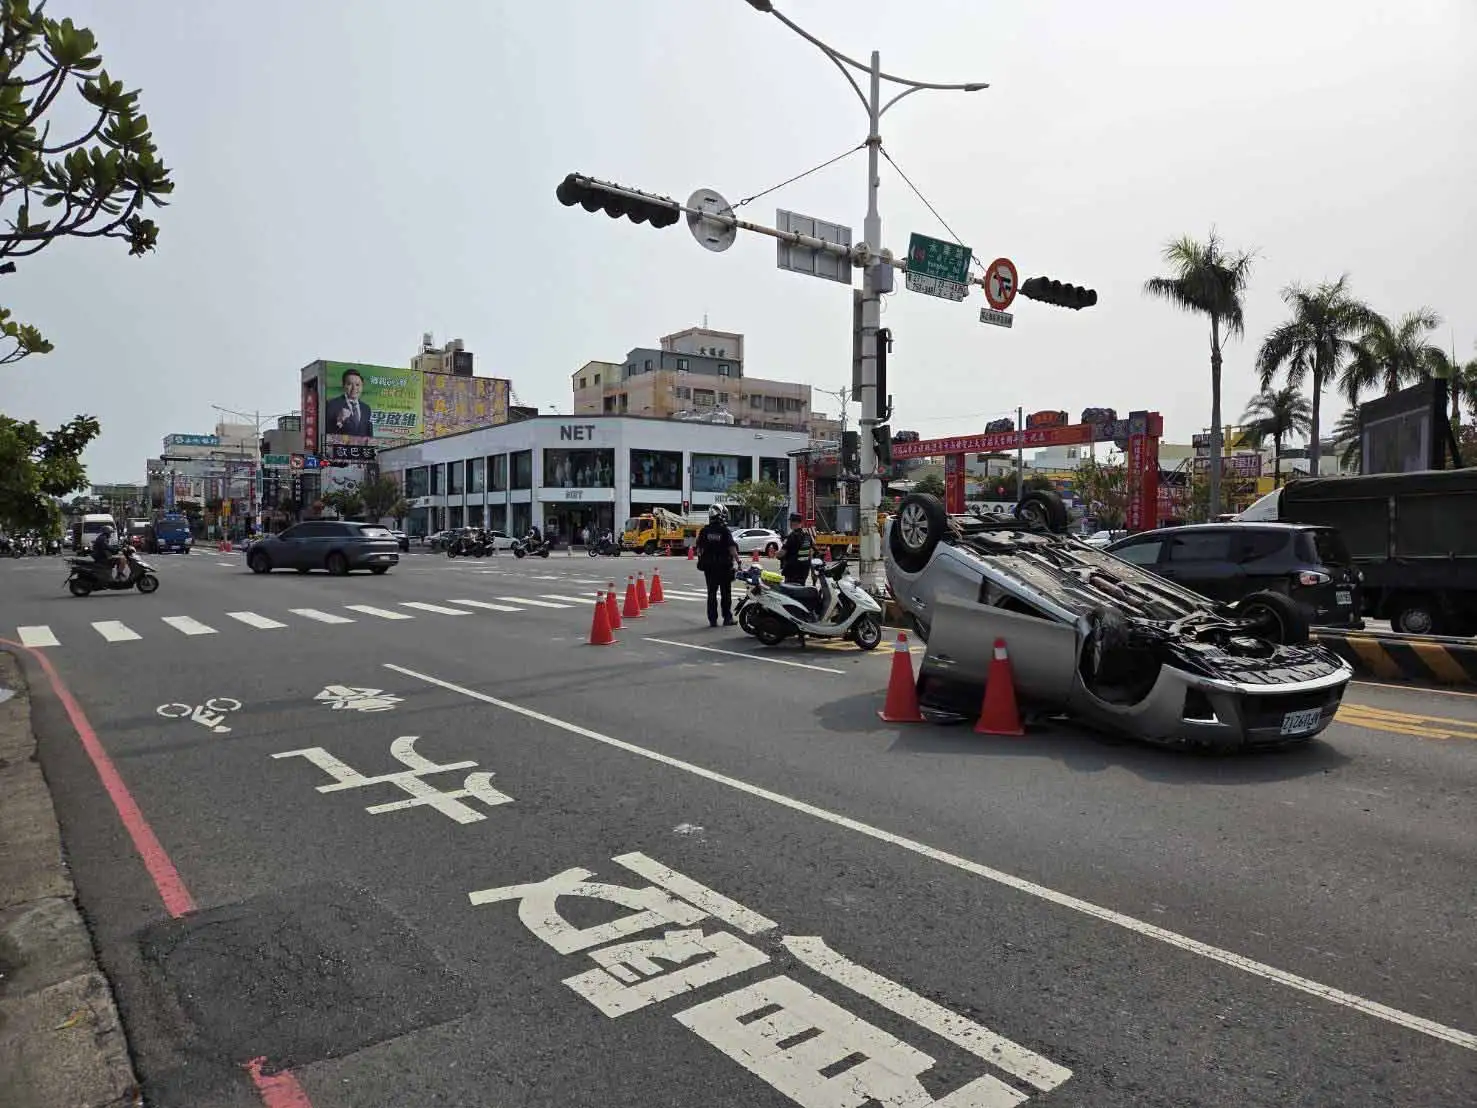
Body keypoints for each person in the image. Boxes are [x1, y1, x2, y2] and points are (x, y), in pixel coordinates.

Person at [695, 504, 740, 628]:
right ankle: (727, 618)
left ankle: (713, 620)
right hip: (724, 566)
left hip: (709, 567)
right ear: (721, 515)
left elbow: (699, 549)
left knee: (711, 593)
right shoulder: (724, 530)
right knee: (726, 593)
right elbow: (732, 548)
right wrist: (738, 561)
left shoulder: (705, 531)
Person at [324, 367, 375, 438]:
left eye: (357, 385)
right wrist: (339, 422)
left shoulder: (366, 408)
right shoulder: (332, 404)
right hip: (339, 448)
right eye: (349, 384)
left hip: (361, 449)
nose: (354, 388)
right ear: (343, 385)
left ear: (362, 386)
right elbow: (326, 432)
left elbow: (368, 434)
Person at [779, 512, 816, 585]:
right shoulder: (807, 536)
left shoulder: (791, 536)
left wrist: (776, 554)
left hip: (792, 572)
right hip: (804, 572)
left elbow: (781, 554)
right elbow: (811, 555)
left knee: (790, 593)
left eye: (790, 521)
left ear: (793, 522)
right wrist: (813, 572)